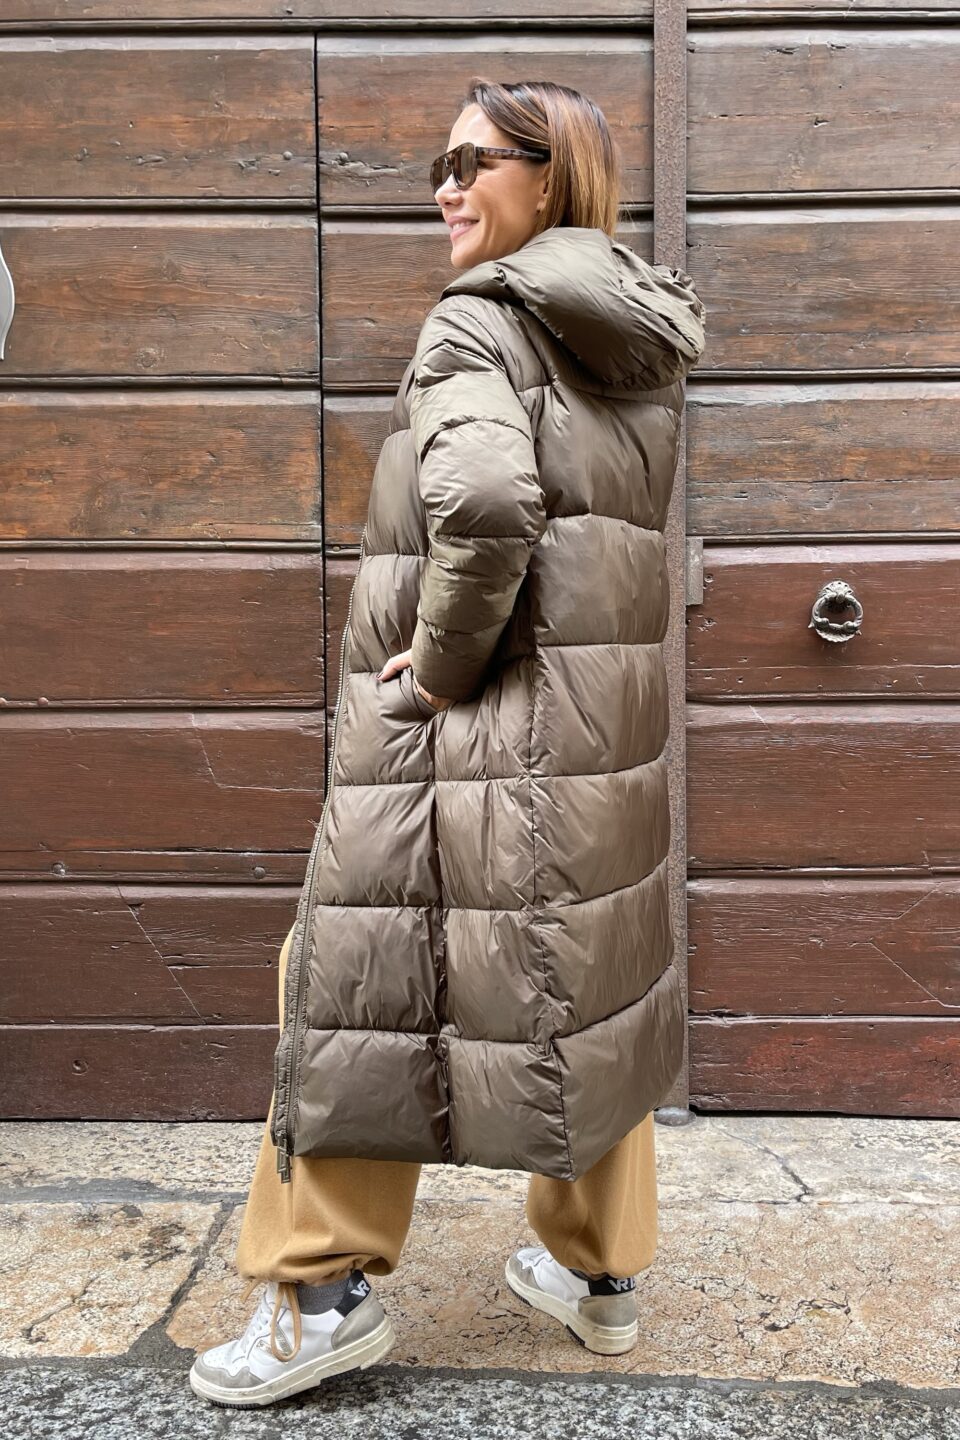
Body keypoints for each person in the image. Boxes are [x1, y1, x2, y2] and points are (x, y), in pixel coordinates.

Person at [189, 77, 705, 1409]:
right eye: (442, 162)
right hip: (595, 745)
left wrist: (441, 660)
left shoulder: (479, 319)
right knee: (590, 975)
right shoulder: (625, 334)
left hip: (471, 743)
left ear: (551, 176)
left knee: (353, 976)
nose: (445, 186)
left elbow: (483, 503)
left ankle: (315, 1298)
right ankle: (600, 1280)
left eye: (474, 163)